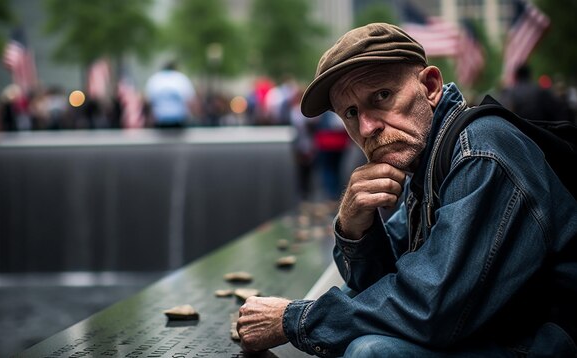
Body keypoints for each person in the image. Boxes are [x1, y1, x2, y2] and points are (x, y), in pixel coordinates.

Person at [237, 22, 577, 357]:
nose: (367, 127)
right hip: (494, 330)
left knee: (372, 352)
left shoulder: (480, 151)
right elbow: (371, 284)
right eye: (351, 112)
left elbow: (431, 307)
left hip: (542, 340)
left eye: (382, 96)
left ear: (430, 86)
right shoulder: (424, 161)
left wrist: (293, 320)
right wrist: (354, 225)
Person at [500, 63, 573, 122]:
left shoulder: (509, 94)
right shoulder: (540, 91)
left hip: (518, 134)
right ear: (530, 75)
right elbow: (558, 112)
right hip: (540, 134)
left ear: (516, 77)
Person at [144, 60, 199, 128]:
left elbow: (147, 101)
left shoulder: (155, 79)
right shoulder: (181, 78)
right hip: (179, 119)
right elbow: (191, 100)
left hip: (159, 118)